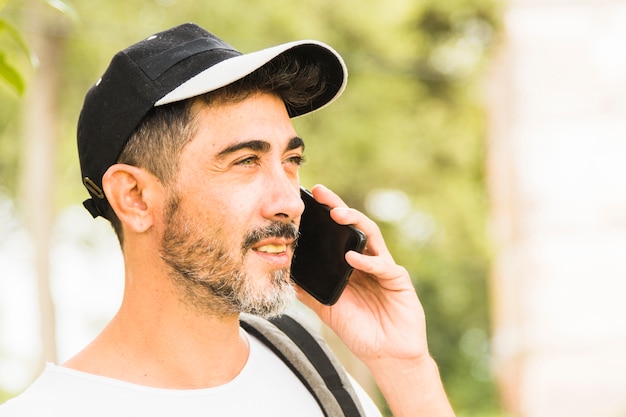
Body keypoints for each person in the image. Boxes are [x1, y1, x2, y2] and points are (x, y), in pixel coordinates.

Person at [0, 23, 455, 417]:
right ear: (135, 197)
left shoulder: (315, 375)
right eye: (246, 161)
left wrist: (404, 366)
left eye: (291, 160)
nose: (290, 201)